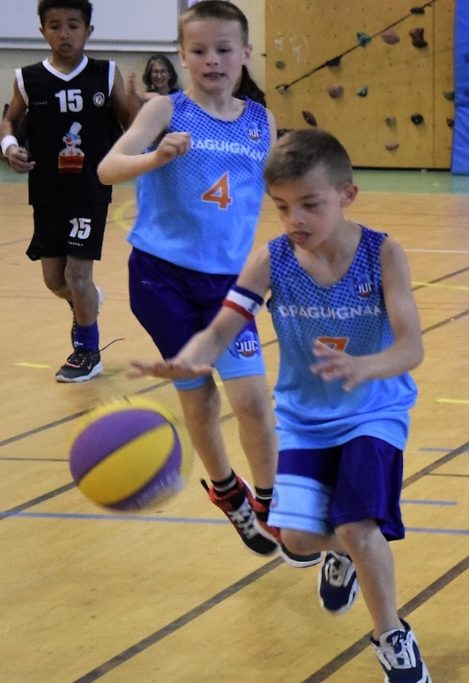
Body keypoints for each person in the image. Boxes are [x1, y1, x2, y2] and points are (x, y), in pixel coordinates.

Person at [131, 128, 430, 682]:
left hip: (373, 411)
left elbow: (411, 348)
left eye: (310, 205)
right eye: (282, 207)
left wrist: (365, 367)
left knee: (358, 526)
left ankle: (391, 634)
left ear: (347, 195)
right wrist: (187, 360)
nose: (295, 219)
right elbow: (220, 330)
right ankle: (345, 554)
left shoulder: (382, 254)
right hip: (304, 418)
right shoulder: (272, 261)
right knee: (296, 540)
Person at [97, 0, 316, 566]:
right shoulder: (165, 110)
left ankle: (270, 504)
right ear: (182, 55)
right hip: (161, 278)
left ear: (245, 53)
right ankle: (226, 490)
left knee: (253, 401)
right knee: (199, 394)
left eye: (223, 49)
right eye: (199, 50)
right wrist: (153, 157)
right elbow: (108, 167)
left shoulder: (260, 121)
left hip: (228, 284)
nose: (212, 60)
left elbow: (269, 192)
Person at [0, 0, 132, 382]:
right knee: (55, 280)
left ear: (88, 30)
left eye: (73, 25)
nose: (64, 34)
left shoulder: (106, 74)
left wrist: (142, 123)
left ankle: (87, 351)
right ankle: (86, 301)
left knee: (77, 275)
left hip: (89, 188)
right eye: (55, 26)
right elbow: (10, 120)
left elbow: (130, 121)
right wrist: (9, 147)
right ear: (42, 31)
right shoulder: (27, 78)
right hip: (47, 190)